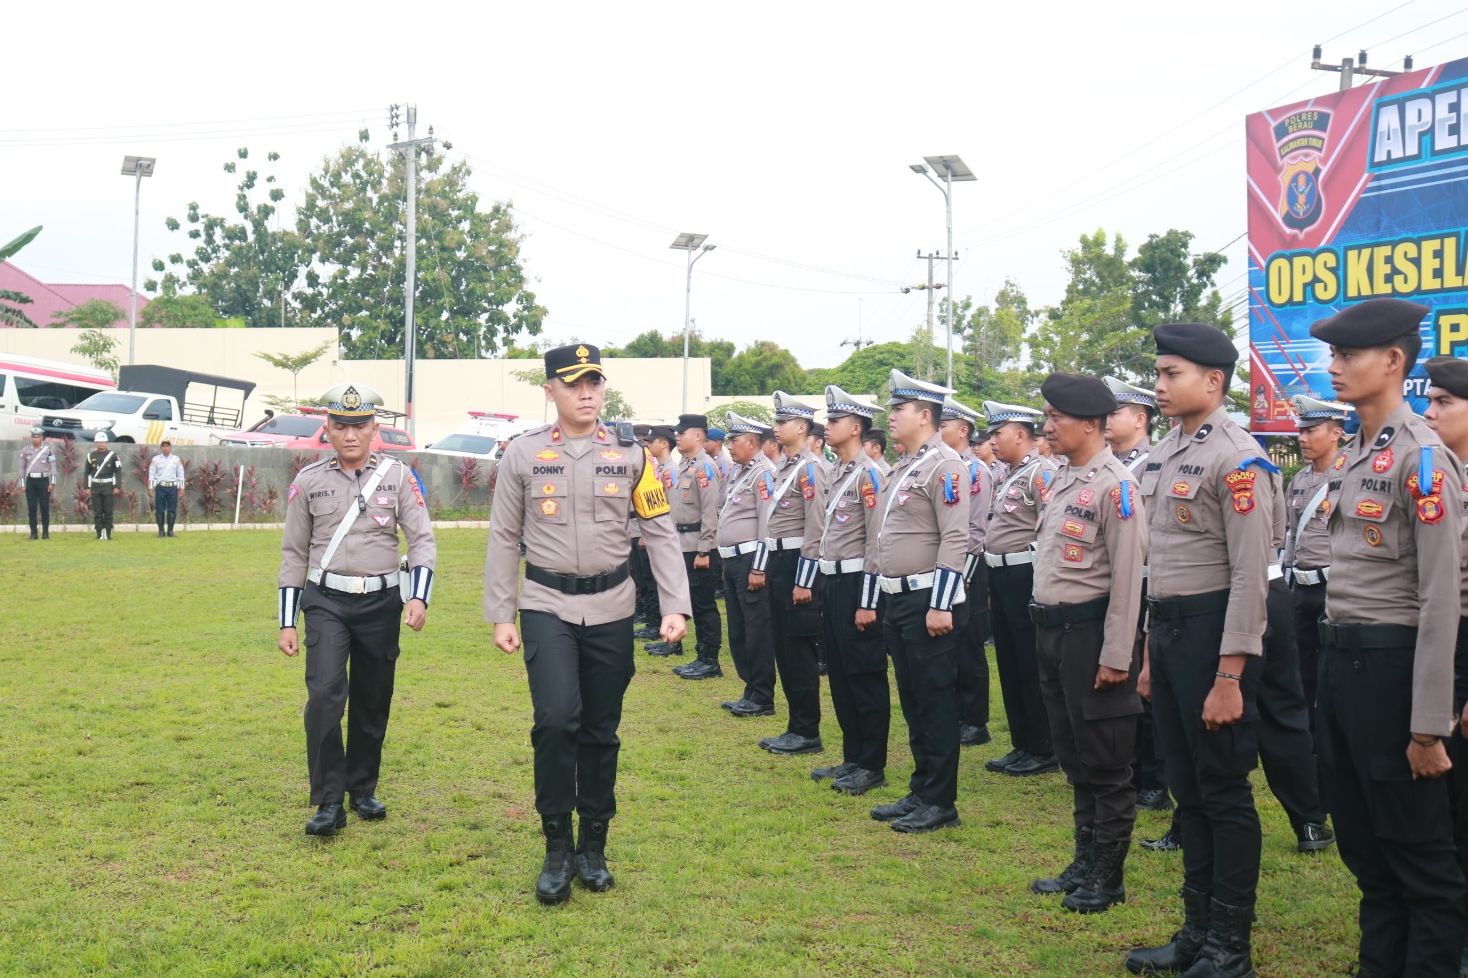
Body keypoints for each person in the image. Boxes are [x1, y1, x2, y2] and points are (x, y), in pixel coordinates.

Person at [485, 344, 691, 905]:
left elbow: (659, 531)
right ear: (550, 389)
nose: (586, 393)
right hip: (546, 602)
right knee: (555, 720)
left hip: (613, 606)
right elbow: (504, 537)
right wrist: (502, 611)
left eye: (594, 383)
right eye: (573, 383)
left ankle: (593, 846)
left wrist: (675, 603)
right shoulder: (523, 455)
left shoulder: (632, 455)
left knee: (600, 729)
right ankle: (556, 846)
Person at [1311, 301, 1465, 978]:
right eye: (1335, 356)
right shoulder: (1356, 451)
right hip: (1342, 664)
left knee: (1419, 857)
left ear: (1393, 362)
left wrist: (1429, 725)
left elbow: (1441, 599)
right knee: (1367, 849)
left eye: (1348, 356)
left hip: (1393, 669)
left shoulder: (1423, 459)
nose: (1335, 367)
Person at [1126, 323, 1273, 978]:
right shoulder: (1166, 453)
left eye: (1171, 373)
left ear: (1213, 381)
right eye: (1157, 373)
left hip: (1218, 636)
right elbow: (1164, 570)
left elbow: (1249, 574)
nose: (1159, 385)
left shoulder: (1237, 458)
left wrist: (1230, 674)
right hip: (1174, 632)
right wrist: (1155, 656)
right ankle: (1196, 930)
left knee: (1223, 791)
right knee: (1188, 791)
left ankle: (1229, 945)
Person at [277, 382, 437, 839]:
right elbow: (293, 553)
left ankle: (362, 787)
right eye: (341, 425)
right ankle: (328, 800)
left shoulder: (398, 477)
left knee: (373, 696)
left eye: (359, 425)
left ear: (374, 428)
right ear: (326, 428)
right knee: (324, 695)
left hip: (381, 602)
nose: (350, 434)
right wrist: (288, 620)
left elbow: (422, 539)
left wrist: (419, 596)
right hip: (326, 601)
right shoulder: (308, 482)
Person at [1028, 372, 1147, 914]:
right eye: (1048, 417)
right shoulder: (1063, 479)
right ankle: (1084, 858)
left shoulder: (1115, 486)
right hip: (1053, 632)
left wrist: (1117, 655)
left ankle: (1107, 874)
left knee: (1106, 760)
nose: (1048, 427)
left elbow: (1127, 578)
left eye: (1058, 419)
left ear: (1092, 425)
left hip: (1092, 635)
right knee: (1074, 754)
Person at [866, 368, 968, 833]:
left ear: (924, 415)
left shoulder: (945, 465)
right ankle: (922, 788)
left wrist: (942, 603)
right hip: (898, 598)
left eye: (898, 409)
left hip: (929, 596)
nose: (890, 417)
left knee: (935, 701)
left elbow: (956, 537)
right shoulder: (905, 465)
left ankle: (941, 800)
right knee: (913, 698)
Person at [812, 385, 890, 795]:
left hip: (859, 582)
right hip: (833, 580)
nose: (827, 427)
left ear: (856, 427)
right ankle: (853, 756)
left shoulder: (871, 474)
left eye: (835, 421)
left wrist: (868, 601)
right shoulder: (837, 470)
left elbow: (877, 541)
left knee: (864, 675)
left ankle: (872, 763)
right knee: (841, 674)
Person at [1105, 376, 1175, 826]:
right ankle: (1130, 767)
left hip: (1151, 581)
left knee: (1147, 682)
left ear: (1140, 418)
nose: (1107, 420)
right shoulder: (1109, 464)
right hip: (1117, 581)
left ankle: (1155, 780)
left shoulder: (1157, 462)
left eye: (1115, 412)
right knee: (1123, 677)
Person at [982, 399, 1059, 776]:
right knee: (1010, 663)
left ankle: (1043, 747)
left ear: (1020, 434)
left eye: (998, 433)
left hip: (1025, 575)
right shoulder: (1004, 473)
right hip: (1000, 574)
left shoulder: (1040, 473)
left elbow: (1048, 531)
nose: (992, 440)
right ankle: (1021, 742)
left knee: (1030, 663)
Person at [753, 391, 829, 756]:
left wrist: (805, 579)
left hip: (798, 562)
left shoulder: (810, 468)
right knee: (783, 646)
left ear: (802, 427)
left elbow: (816, 527)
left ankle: (806, 729)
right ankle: (796, 724)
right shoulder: (785, 466)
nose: (776, 428)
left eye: (783, 422)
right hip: (779, 561)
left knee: (798, 651)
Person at [1424, 354, 1468, 978]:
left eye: (1443, 404)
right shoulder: (1439, 477)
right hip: (1439, 653)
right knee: (1443, 808)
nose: (1428, 414)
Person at [1282, 394, 1347, 725]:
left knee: (1334, 673)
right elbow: (1291, 535)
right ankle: (1309, 741)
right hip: (1300, 590)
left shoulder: (1348, 476)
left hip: (1334, 589)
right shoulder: (1299, 480)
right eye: (1301, 431)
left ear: (1336, 433)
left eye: (1312, 431)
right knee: (1302, 670)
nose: (1303, 438)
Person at [716, 411, 780, 718]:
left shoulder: (763, 473)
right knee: (739, 630)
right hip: (732, 560)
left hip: (749, 560)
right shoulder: (738, 472)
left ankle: (762, 695)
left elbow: (767, 523)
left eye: (734, 439)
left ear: (753, 441)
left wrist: (759, 567)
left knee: (757, 631)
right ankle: (750, 689)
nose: (730, 445)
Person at [940, 397, 994, 747]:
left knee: (969, 645)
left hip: (968, 570)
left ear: (963, 430)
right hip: (948, 569)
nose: (938, 430)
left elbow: (975, 532)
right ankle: (958, 711)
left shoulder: (975, 471)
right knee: (951, 645)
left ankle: (975, 720)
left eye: (943, 424)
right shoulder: (943, 465)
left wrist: (961, 574)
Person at [669, 415, 724, 680]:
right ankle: (701, 655)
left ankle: (710, 660)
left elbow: (710, 511)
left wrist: (704, 550)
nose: (677, 437)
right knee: (693, 601)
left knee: (703, 604)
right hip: (683, 545)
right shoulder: (686, 465)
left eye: (683, 432)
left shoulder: (705, 467)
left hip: (699, 547)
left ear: (699, 436)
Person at [644, 425, 685, 656]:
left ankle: (673, 641)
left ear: (664, 444)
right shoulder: (659, 468)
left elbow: (668, 508)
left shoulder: (669, 471)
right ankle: (662, 631)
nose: (649, 446)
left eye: (653, 442)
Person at [18, 427, 57, 540]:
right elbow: (21, 468)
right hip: (30, 482)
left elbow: (53, 467)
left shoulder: (48, 450)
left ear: (42, 438)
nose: (35, 439)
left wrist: (52, 483)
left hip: (44, 481)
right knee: (32, 508)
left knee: (44, 507)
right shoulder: (25, 450)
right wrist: (22, 484)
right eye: (33, 437)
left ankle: (45, 533)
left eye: (38, 437)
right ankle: (33, 533)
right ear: (31, 438)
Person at [84, 431, 122, 541]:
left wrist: (116, 486)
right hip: (95, 487)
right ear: (96, 443)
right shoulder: (90, 456)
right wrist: (87, 487)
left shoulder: (113, 456)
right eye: (98, 442)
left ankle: (108, 533)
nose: (101, 444)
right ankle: (99, 533)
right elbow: (87, 472)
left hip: (108, 487)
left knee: (108, 511)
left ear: (106, 443)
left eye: (103, 442)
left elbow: (118, 471)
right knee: (97, 511)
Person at [148, 440, 186, 538]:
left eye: (167, 446)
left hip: (172, 487)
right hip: (160, 487)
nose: (165, 448)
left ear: (170, 447)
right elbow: (151, 474)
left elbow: (181, 474)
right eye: (163, 446)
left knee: (172, 510)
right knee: (159, 510)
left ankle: (170, 531)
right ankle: (161, 531)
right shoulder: (155, 459)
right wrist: (150, 488)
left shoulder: (176, 459)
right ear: (161, 448)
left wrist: (182, 488)